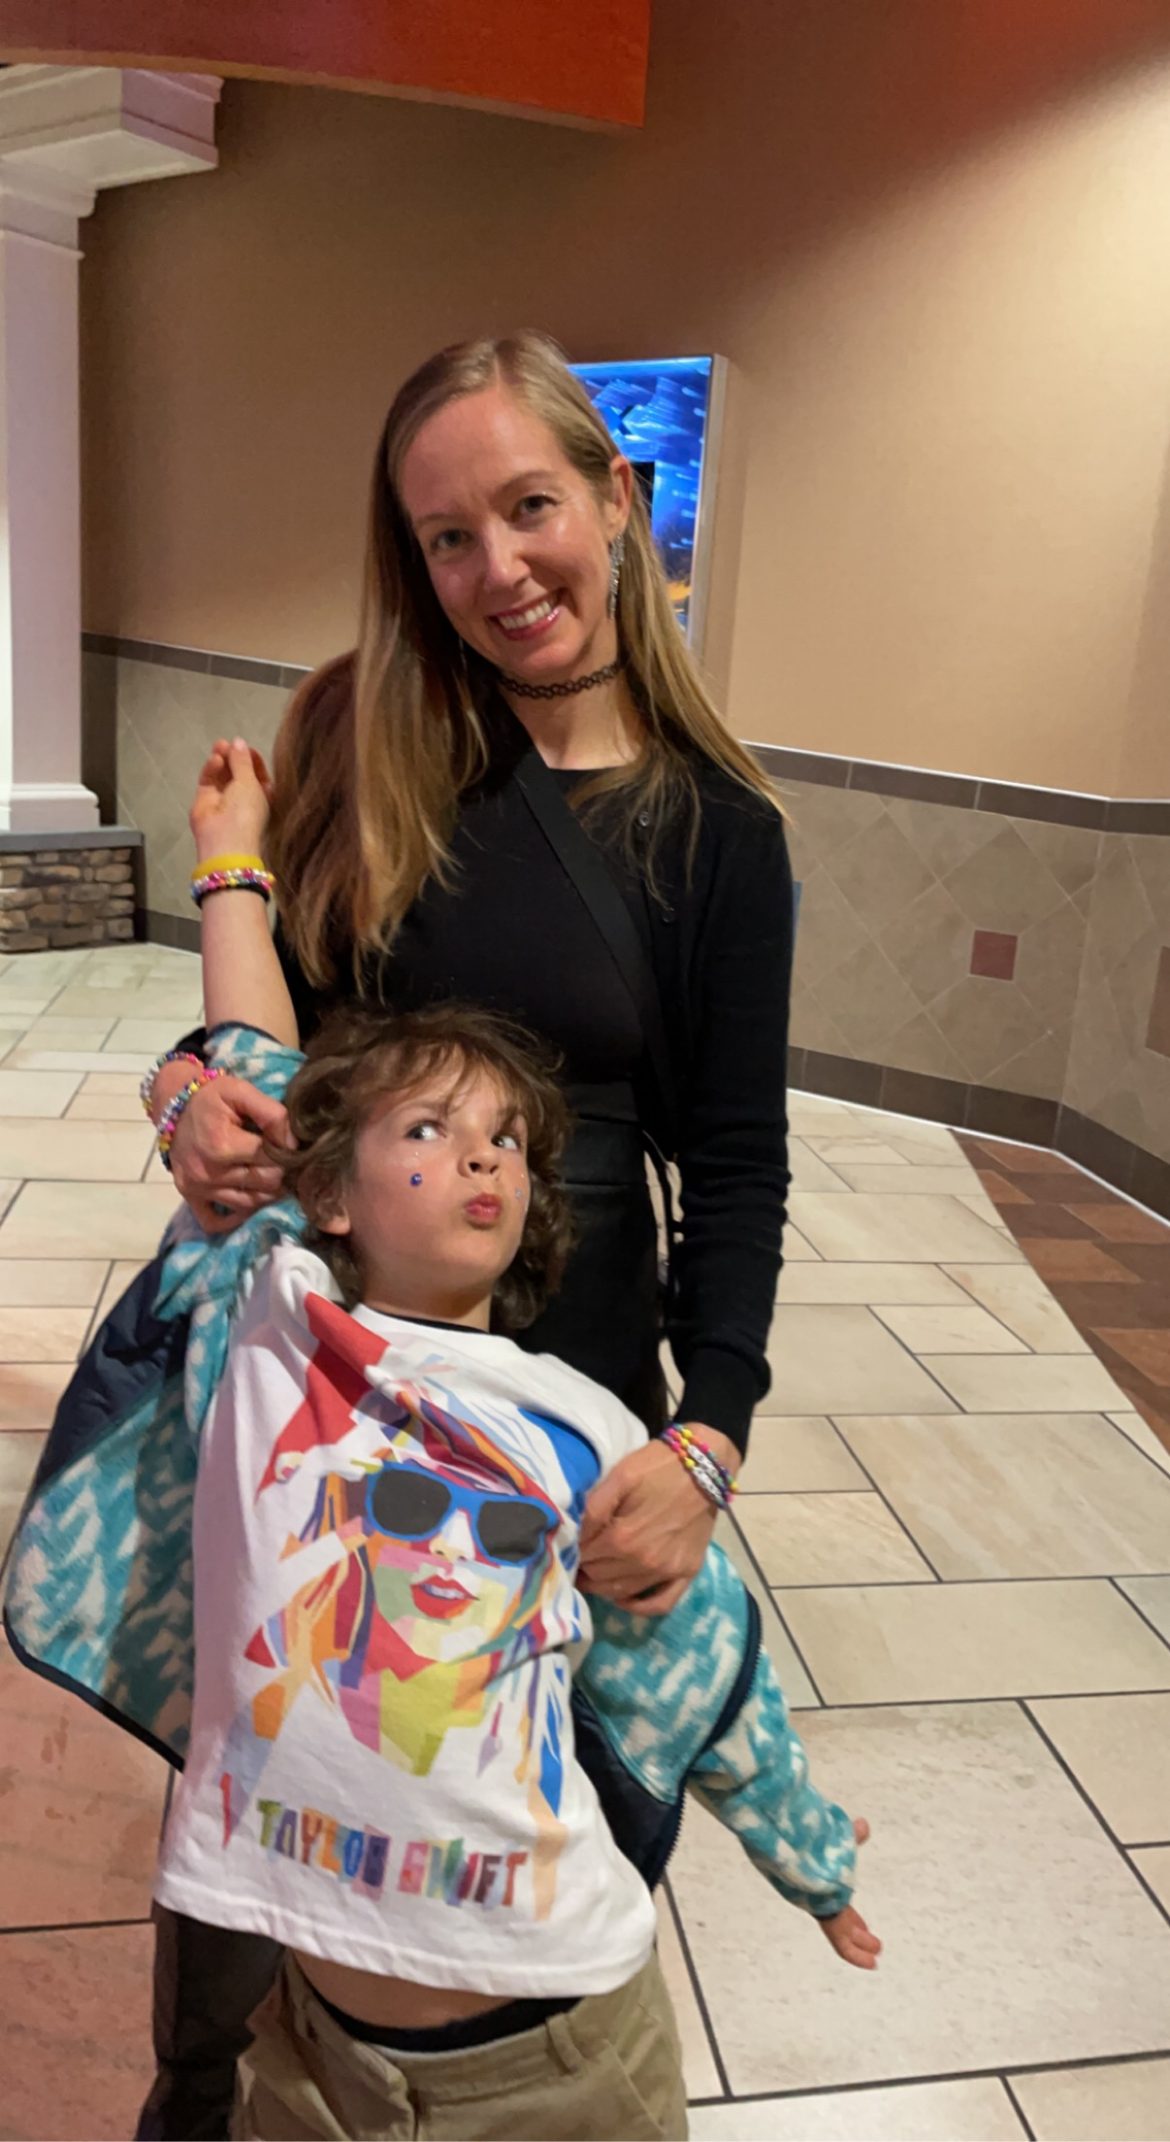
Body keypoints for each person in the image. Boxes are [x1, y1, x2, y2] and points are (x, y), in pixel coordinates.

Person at [138, 329, 797, 2134]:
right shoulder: (368, 740)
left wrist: (707, 1438)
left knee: (546, 1826)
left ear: (614, 497)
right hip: (332, 1383)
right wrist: (186, 1097)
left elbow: (738, 1167)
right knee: (283, 1775)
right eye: (445, 537)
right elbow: (268, 1043)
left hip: (569, 1395)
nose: (496, 567)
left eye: (527, 508)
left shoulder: (717, 831)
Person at [141, 753, 877, 2137]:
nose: (484, 1157)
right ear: (325, 1191)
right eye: (428, 1129)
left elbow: (704, 1668)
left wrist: (813, 1863)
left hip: (555, 2058)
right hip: (310, 2055)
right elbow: (248, 1065)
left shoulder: (578, 1426)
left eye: (508, 1141)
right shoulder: (276, 1319)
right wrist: (229, 858)